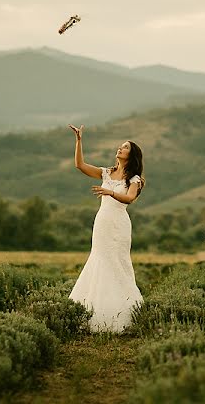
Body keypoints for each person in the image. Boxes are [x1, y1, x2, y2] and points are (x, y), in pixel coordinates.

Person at [67, 123, 144, 333]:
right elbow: (80, 165)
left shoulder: (134, 179)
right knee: (98, 259)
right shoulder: (107, 173)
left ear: (132, 154)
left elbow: (128, 198)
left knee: (117, 263)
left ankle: (124, 314)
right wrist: (79, 141)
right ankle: (94, 312)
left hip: (119, 224)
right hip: (102, 222)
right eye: (120, 146)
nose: (120, 148)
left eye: (125, 147)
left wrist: (110, 193)